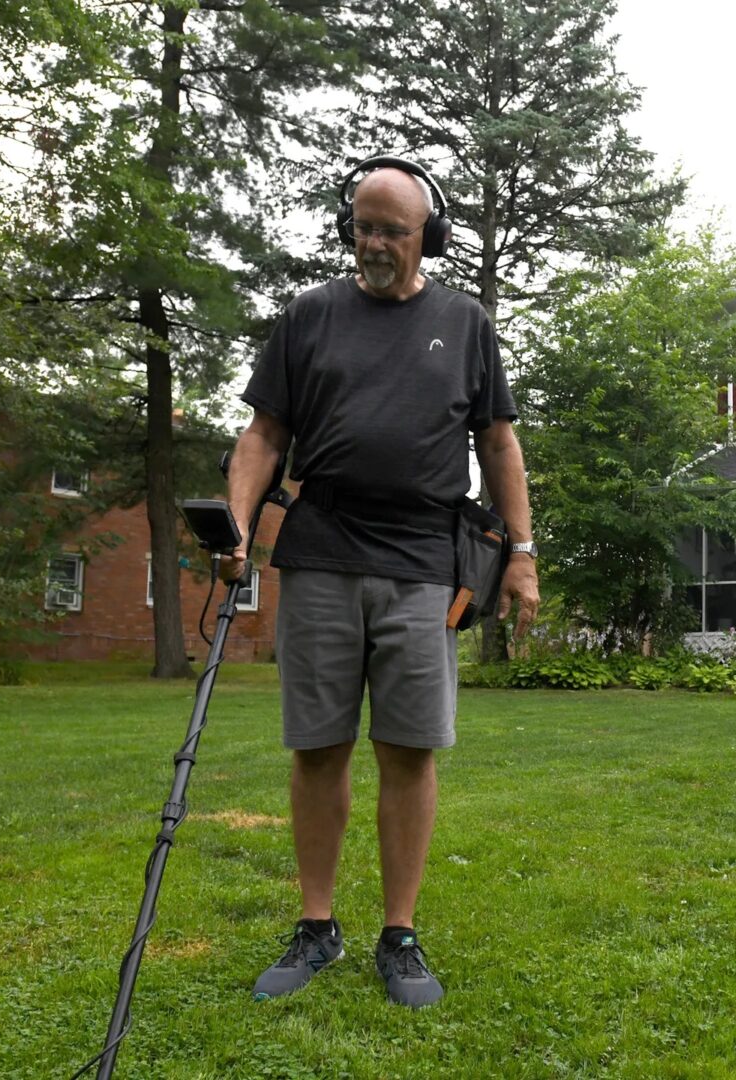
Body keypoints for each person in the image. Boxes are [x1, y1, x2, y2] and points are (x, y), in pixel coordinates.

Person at [222, 158, 539, 1008]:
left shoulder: (465, 323)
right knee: (318, 746)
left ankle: (399, 933)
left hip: (424, 563)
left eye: (392, 231)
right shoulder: (310, 315)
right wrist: (239, 524)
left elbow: (498, 443)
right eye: (363, 227)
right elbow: (263, 436)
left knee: (408, 749)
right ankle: (316, 925)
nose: (373, 244)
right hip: (320, 552)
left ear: (428, 236)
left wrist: (521, 552)